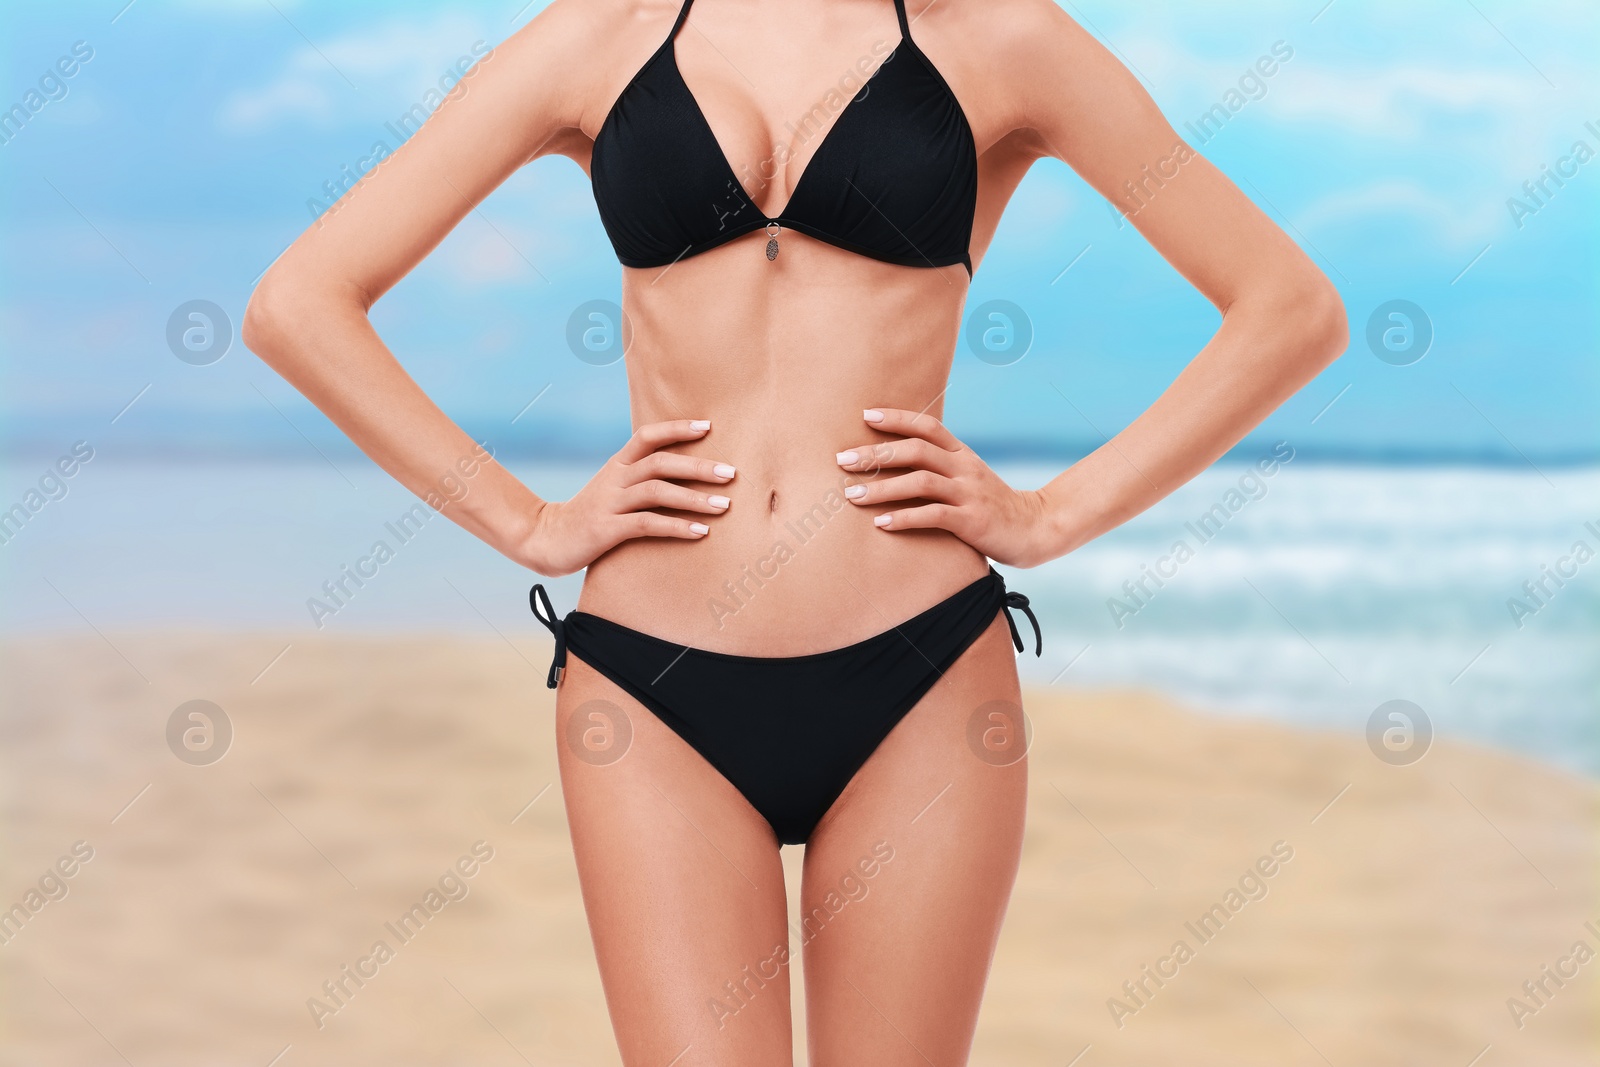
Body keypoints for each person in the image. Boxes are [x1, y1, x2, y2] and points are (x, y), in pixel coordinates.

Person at [242, 0, 1347, 1062]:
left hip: (920, 672)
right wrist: (526, 522)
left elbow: (1289, 307)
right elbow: (300, 303)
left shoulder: (1003, 35)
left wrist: (1052, 514)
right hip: (649, 683)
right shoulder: (597, 33)